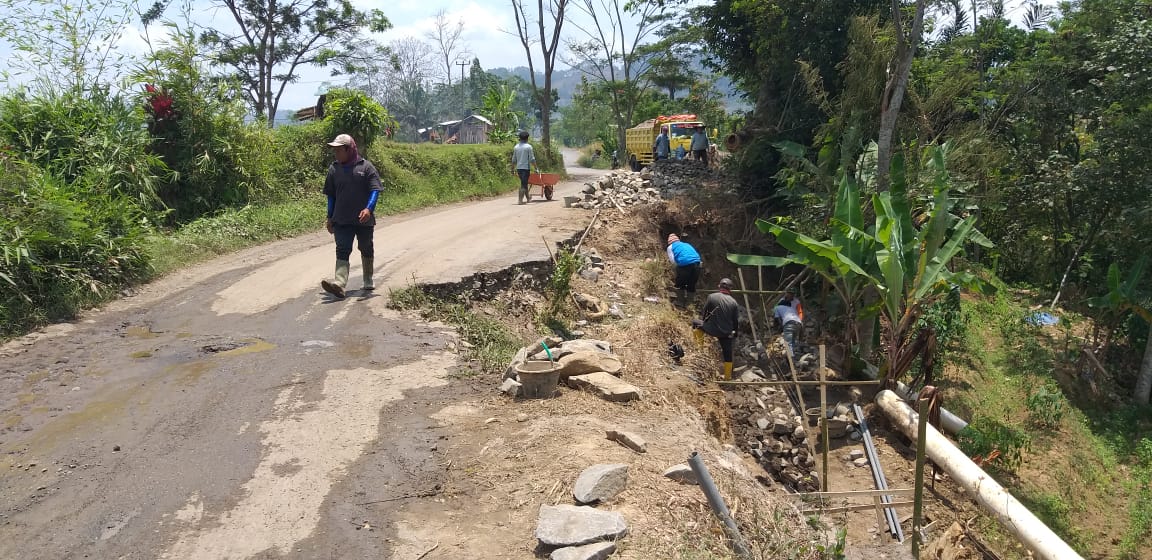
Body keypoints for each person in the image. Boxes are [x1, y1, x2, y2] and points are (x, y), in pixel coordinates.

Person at [321, 134, 383, 299]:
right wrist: (329, 216)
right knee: (342, 249)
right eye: (335, 151)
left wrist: (369, 209)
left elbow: (375, 190)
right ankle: (339, 284)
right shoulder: (334, 169)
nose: (336, 154)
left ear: (349, 150)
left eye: (339, 150)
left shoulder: (366, 167)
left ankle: (368, 278)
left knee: (366, 247)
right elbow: (331, 196)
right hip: (341, 218)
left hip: (363, 219)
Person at [693, 278, 741, 380]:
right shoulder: (734, 302)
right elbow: (735, 321)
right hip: (726, 333)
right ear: (730, 289)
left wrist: (706, 324)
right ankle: (728, 378)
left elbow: (705, 313)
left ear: (719, 286)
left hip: (711, 328)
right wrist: (735, 332)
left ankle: (699, 349)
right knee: (727, 354)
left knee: (695, 322)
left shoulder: (712, 297)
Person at [666, 234, 701, 307]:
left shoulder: (670, 247)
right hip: (697, 263)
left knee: (680, 283)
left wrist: (677, 272)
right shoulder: (686, 244)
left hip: (685, 263)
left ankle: (680, 301)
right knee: (691, 284)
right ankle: (689, 304)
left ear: (669, 242)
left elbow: (673, 262)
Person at [773, 288, 805, 357]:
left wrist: (781, 327)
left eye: (792, 294)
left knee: (788, 343)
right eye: (789, 293)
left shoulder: (778, 307)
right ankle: (793, 357)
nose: (791, 295)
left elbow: (777, 318)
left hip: (789, 323)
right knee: (792, 342)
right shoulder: (788, 306)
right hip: (797, 323)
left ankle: (791, 360)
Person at [512, 130, 538, 205]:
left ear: (520, 138)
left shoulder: (516, 147)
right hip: (525, 169)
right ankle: (520, 200)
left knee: (525, 183)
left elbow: (514, 159)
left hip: (519, 169)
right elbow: (532, 159)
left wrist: (512, 169)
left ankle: (528, 198)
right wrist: (536, 168)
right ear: (527, 138)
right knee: (523, 184)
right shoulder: (528, 147)